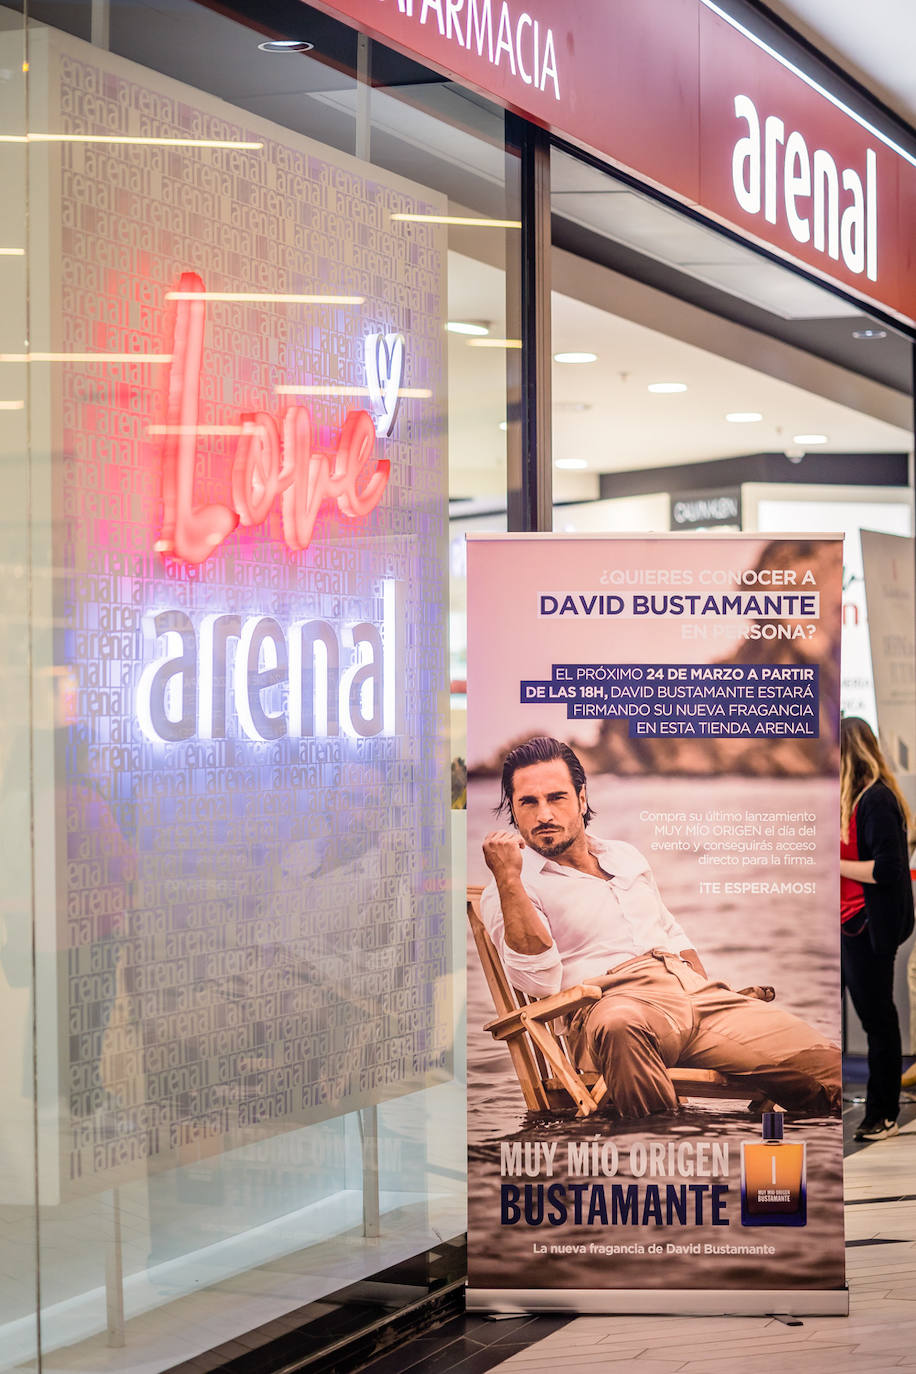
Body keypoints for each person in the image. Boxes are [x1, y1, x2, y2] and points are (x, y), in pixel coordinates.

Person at [480, 736, 841, 1120]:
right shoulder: (511, 889)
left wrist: (702, 989)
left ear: (581, 799)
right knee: (621, 1026)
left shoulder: (624, 856)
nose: (544, 814)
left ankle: (816, 1152)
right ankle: (659, 1151)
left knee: (829, 1071)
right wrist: (508, 879)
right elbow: (536, 981)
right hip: (612, 1004)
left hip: (694, 996)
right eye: (528, 803)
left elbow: (670, 930)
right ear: (514, 813)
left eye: (556, 798)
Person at [839, 716, 914, 1142]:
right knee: (861, 1020)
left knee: (878, 1022)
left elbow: (887, 869)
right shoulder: (847, 801)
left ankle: (882, 1113)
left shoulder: (877, 800)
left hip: (867, 927)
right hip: (843, 926)